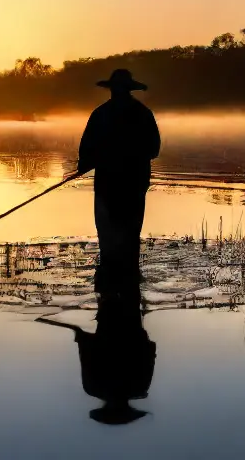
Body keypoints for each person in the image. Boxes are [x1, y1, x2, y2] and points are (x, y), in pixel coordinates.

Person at [69, 68, 161, 317]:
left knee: (109, 237)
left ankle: (109, 291)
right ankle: (129, 288)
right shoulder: (143, 114)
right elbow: (154, 150)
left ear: (113, 89)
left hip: (110, 187)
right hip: (133, 186)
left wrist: (86, 164)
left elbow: (86, 153)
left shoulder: (100, 115)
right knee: (129, 237)